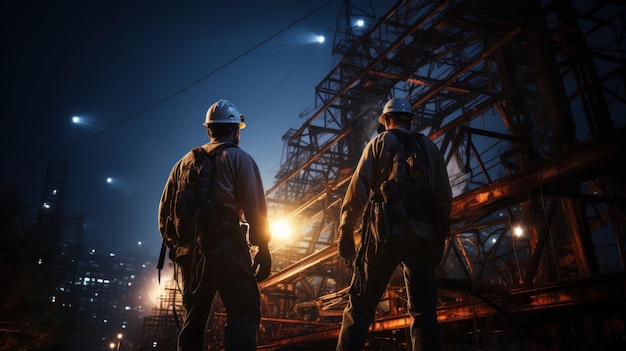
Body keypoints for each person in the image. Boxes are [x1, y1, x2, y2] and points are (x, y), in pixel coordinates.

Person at [335, 97, 452, 351]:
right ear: (410, 119)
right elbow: (444, 198)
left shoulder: (379, 142)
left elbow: (358, 191)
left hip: (383, 232)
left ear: (387, 121)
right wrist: (439, 239)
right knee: (423, 312)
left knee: (360, 305)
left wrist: (345, 229)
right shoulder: (430, 149)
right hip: (423, 236)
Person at [158, 99, 272, 351]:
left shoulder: (183, 163)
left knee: (193, 321)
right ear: (236, 131)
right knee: (243, 312)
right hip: (227, 248)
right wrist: (262, 247)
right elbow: (256, 208)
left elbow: (164, 213)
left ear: (209, 130)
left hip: (191, 256)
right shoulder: (239, 159)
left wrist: (179, 249)